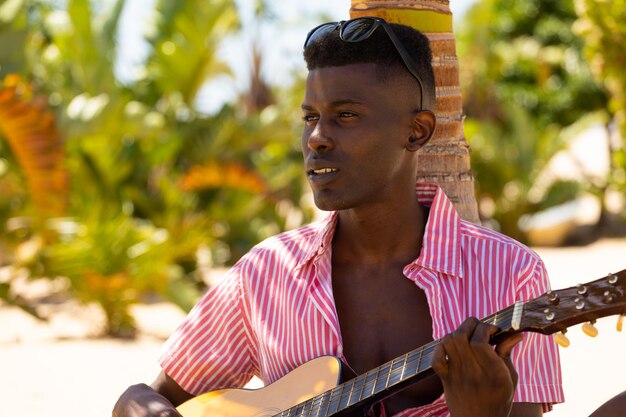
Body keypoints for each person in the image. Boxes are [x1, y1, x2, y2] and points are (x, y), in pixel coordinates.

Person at [113, 17, 563, 417]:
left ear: (417, 130)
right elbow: (143, 395)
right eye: (310, 117)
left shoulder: (510, 275)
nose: (317, 138)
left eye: (345, 115)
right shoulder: (266, 273)